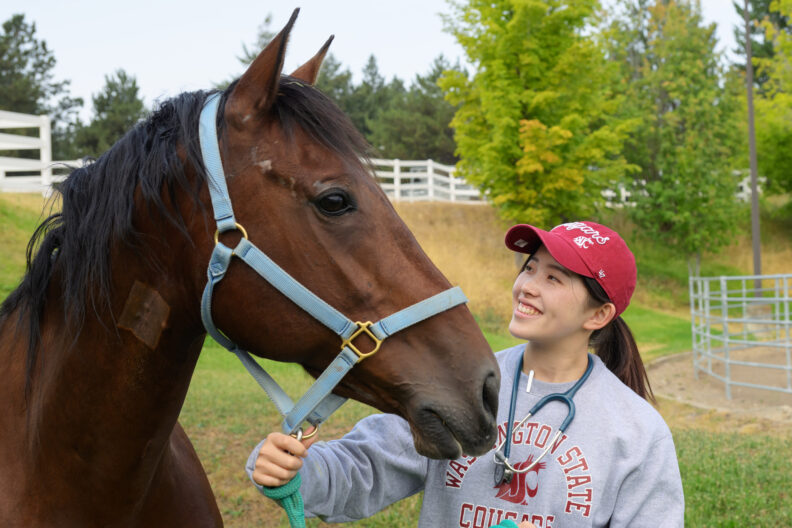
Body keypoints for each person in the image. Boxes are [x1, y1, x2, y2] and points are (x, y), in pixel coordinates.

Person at [246, 221, 685, 528]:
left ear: (600, 313)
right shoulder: (457, 383)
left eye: (555, 279)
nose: (527, 285)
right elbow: (365, 469)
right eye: (530, 268)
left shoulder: (638, 432)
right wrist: (295, 472)